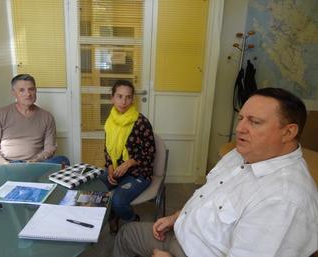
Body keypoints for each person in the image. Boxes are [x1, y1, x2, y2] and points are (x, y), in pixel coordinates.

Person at [112, 87, 318, 257]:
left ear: (289, 132)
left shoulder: (284, 200)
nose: (240, 129)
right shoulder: (239, 154)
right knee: (126, 234)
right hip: (182, 232)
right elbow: (208, 195)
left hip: (189, 252)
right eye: (241, 119)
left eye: (254, 122)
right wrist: (177, 216)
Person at [100, 80, 156, 234]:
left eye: (128, 97)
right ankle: (112, 214)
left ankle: (132, 219)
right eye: (119, 96)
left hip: (139, 173)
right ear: (112, 98)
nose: (123, 102)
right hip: (117, 170)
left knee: (118, 200)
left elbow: (150, 152)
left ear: (133, 99)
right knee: (93, 187)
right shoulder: (110, 121)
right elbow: (107, 149)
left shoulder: (141, 122)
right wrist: (110, 167)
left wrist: (129, 163)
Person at [0, 74, 69, 165]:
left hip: (36, 163)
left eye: (31, 89)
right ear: (13, 93)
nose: (28, 94)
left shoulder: (47, 117)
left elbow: (50, 148)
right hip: (8, 163)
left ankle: (28, 176)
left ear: (36, 90)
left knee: (63, 160)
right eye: (22, 90)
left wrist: (36, 160)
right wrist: (6, 164)